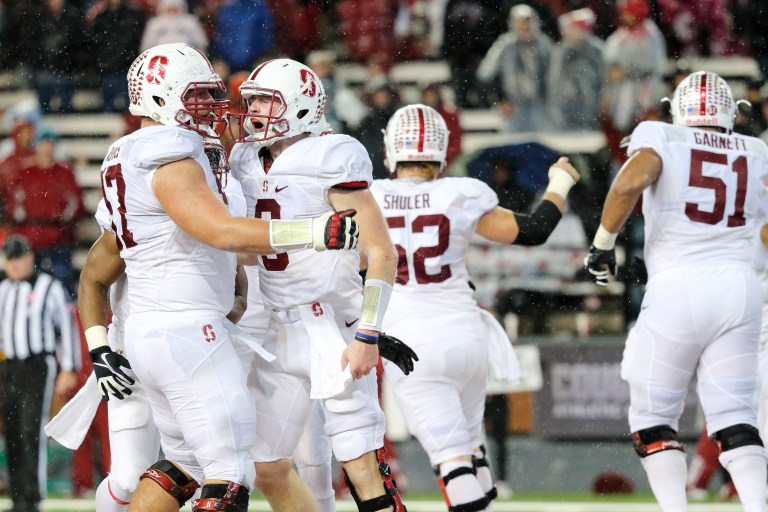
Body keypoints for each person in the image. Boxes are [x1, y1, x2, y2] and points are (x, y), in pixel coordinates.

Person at [98, 43, 359, 512]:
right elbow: (220, 231)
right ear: (159, 97)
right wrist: (313, 231)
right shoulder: (170, 157)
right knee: (230, 472)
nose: (211, 108)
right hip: (187, 329)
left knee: (183, 467)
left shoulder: (129, 155)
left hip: (153, 330)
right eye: (196, 96)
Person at [370, 104, 580, 512]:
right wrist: (558, 182)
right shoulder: (460, 193)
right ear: (441, 151)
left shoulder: (370, 197)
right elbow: (534, 230)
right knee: (471, 450)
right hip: (465, 336)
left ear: (389, 150)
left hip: (411, 343)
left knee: (452, 462)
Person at [584, 71, 768, 512]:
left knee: (652, 417)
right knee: (736, 418)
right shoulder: (757, 150)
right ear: (729, 112)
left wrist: (603, 245)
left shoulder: (660, 135)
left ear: (678, 108)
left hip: (679, 284)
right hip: (741, 289)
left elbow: (630, 182)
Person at [227, 57, 403, 512]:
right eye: (253, 101)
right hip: (274, 326)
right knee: (267, 468)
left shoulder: (332, 155)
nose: (256, 111)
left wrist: (368, 333)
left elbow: (383, 252)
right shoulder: (245, 157)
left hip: (330, 326)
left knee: (363, 468)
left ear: (303, 105)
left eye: (267, 100)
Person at [0, 234, 80, 512]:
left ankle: (33, 497)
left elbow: (66, 327)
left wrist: (68, 366)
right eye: (9, 259)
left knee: (31, 429)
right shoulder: (3, 289)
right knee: (11, 431)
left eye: (18, 258)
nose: (14, 265)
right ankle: (17, 496)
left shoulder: (49, 287)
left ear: (30, 257)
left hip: (37, 365)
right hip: (9, 366)